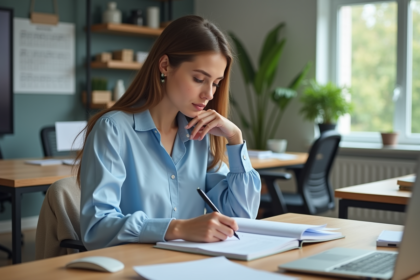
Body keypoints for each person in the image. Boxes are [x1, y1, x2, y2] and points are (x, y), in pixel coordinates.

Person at [76, 15, 261, 250]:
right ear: (165, 66)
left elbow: (241, 216)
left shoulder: (199, 136)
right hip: (133, 267)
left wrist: (235, 138)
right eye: (199, 79)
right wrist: (178, 229)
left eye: (215, 83)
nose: (209, 94)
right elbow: (96, 227)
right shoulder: (113, 130)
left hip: (189, 266)